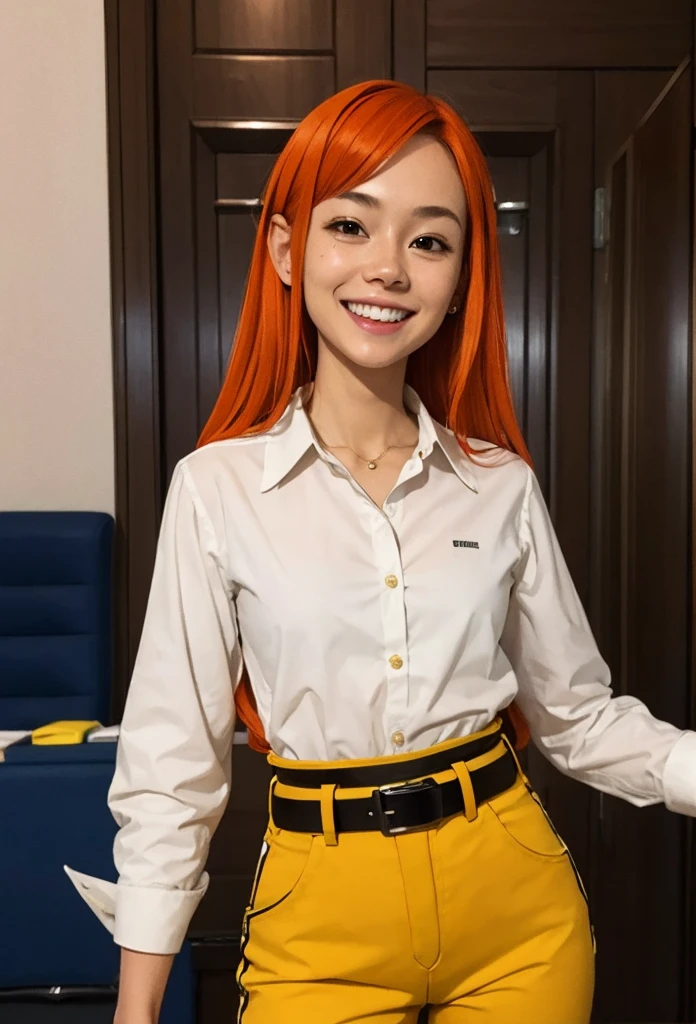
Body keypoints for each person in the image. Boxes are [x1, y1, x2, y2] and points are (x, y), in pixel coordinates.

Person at [65, 79, 696, 1024]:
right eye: (351, 226)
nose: (389, 268)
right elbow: (172, 764)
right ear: (286, 249)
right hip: (317, 927)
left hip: (515, 918)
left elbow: (577, 718)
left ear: (460, 278)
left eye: (430, 239)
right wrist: (135, 1007)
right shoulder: (216, 488)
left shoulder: (501, 484)